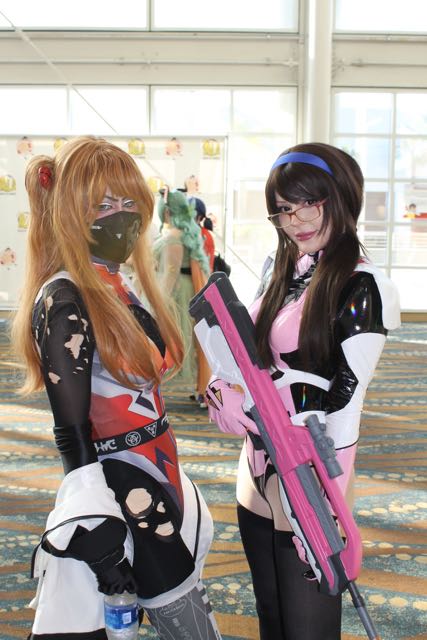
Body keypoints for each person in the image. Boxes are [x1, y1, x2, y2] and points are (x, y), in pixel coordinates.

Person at [11, 136, 221, 640]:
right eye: (102, 206)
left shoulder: (116, 283)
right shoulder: (65, 299)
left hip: (159, 469)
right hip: (123, 485)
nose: (121, 217)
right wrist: (100, 538)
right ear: (69, 212)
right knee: (190, 626)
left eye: (130, 202)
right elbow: (72, 432)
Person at [205, 143, 400, 640]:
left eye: (310, 203)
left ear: (342, 197)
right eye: (285, 209)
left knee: (306, 630)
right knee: (271, 617)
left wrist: (325, 499)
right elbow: (244, 348)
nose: (297, 220)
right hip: (256, 463)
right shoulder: (280, 266)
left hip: (310, 471)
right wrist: (220, 385)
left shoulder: (362, 285)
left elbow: (347, 404)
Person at [153, 188, 211, 409]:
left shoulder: (174, 238)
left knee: (174, 339)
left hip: (177, 293)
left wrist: (157, 302)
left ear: (167, 212)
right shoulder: (187, 234)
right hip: (184, 290)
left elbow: (170, 273)